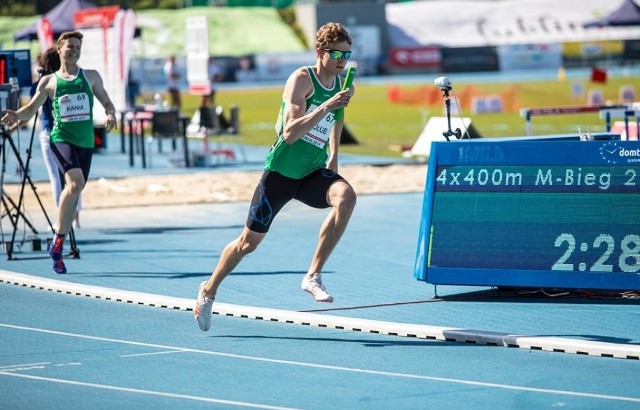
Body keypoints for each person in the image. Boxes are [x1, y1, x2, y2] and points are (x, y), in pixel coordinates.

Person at [194, 22, 356, 331]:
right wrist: (325, 105)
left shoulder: (342, 83)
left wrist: (334, 155)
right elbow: (290, 132)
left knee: (346, 197)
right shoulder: (301, 80)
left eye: (346, 54)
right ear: (321, 53)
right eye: (336, 53)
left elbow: (339, 118)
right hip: (281, 173)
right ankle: (209, 288)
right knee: (247, 243)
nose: (341, 60)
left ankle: (312, 275)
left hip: (311, 171)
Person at [1, 31, 117, 274]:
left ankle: (58, 242)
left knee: (76, 188)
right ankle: (59, 235)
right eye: (70, 47)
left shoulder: (91, 77)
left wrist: (110, 113)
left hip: (85, 142)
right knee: (74, 184)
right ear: (59, 49)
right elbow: (30, 110)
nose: (74, 50)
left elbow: (107, 101)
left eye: (77, 47)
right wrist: (16, 115)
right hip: (60, 138)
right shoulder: (49, 82)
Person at [32, 48, 82, 230]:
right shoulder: (68, 79)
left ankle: (62, 219)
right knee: (74, 177)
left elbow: (31, 108)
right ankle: (75, 218)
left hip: (50, 133)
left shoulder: (44, 82)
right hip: (69, 132)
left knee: (57, 177)